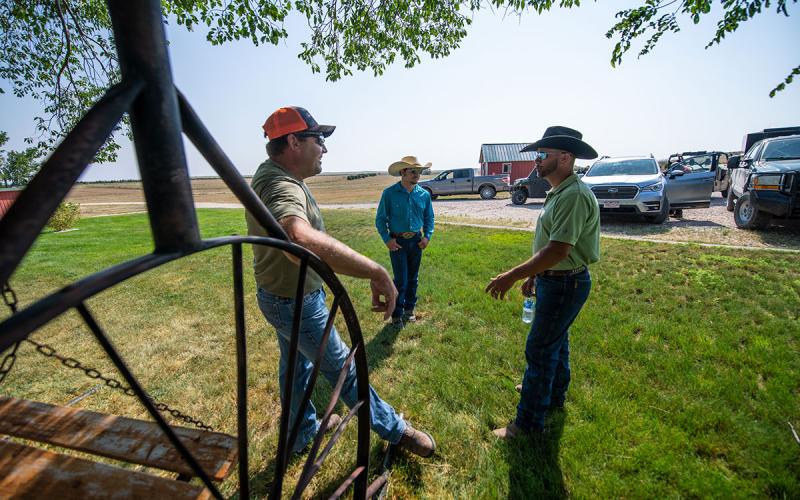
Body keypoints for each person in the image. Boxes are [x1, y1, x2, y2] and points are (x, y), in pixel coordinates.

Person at [245, 106, 436, 457]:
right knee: (344, 370)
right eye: (319, 140)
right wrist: (376, 271)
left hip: (286, 295)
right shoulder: (278, 183)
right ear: (293, 141)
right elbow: (297, 239)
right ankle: (397, 431)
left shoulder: (278, 176)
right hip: (294, 301)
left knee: (296, 368)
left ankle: (301, 433)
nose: (325, 149)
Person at [485, 126, 600, 439]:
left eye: (541, 155)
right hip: (557, 280)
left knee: (539, 349)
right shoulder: (562, 192)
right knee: (556, 343)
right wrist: (536, 275)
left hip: (566, 283)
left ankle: (527, 423)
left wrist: (511, 276)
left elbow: (558, 250)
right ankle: (551, 396)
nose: (536, 160)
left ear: (564, 157)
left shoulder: (574, 195)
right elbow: (553, 247)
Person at [375, 156, 435, 326]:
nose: (417, 175)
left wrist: (427, 236)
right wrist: (387, 240)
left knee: (413, 279)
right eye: (413, 171)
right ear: (403, 172)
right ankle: (396, 314)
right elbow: (380, 220)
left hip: (416, 241)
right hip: (397, 242)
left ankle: (409, 310)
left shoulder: (424, 195)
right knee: (401, 279)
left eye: (419, 172)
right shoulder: (389, 193)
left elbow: (429, 218)